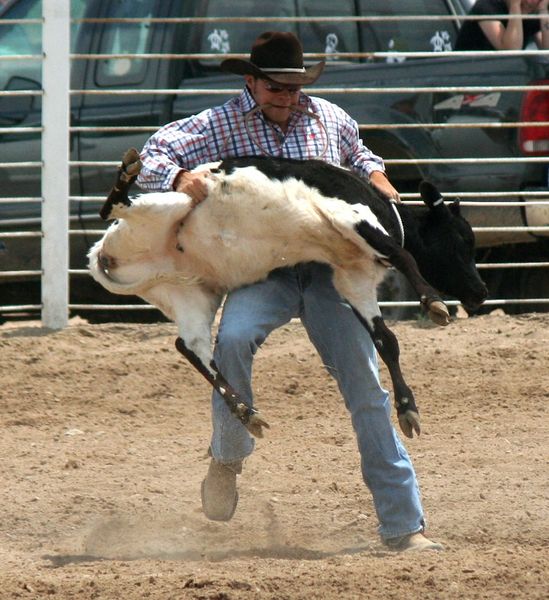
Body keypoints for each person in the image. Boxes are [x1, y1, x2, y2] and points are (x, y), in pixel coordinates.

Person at [137, 31, 442, 552]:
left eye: (295, 87)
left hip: (330, 271)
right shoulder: (217, 124)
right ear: (251, 82)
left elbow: (360, 152)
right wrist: (178, 174)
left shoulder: (328, 118)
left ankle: (404, 525)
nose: (288, 97)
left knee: (366, 383)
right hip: (263, 271)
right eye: (277, 87)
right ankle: (228, 458)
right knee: (232, 342)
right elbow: (151, 156)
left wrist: (376, 175)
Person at [455, 0, 549, 51]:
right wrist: (515, 6)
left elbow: (547, 50)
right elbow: (511, 50)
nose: (530, 2)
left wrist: (543, 10)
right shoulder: (487, 6)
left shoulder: (530, 13)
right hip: (468, 74)